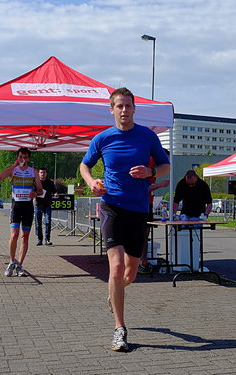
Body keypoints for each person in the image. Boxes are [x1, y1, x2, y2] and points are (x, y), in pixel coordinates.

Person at [80, 87, 170, 352]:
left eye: (128, 106)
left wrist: (150, 171)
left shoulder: (147, 136)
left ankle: (114, 292)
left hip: (139, 210)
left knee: (130, 274)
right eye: (119, 106)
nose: (124, 110)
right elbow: (85, 165)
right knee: (116, 268)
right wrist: (91, 182)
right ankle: (120, 329)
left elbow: (165, 165)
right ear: (112, 109)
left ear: (134, 108)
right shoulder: (102, 138)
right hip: (112, 207)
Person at [0, 147, 43, 277]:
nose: (23, 159)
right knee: (14, 235)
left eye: (25, 157)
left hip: (28, 206)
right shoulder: (14, 170)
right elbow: (0, 177)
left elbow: (40, 189)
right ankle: (12, 261)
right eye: (21, 157)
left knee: (25, 237)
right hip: (16, 205)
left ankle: (20, 264)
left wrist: (36, 193)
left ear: (29, 158)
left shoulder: (33, 171)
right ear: (18, 157)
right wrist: (14, 165)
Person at [138, 149, 170, 274]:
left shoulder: (154, 168)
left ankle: (143, 261)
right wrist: (160, 185)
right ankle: (139, 261)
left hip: (147, 203)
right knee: (142, 234)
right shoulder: (149, 165)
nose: (166, 164)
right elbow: (143, 188)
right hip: (141, 204)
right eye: (166, 160)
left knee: (145, 234)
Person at [35, 168, 58, 246]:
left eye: (44, 172)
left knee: (48, 222)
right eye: (41, 172)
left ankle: (47, 239)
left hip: (47, 205)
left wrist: (55, 194)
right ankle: (39, 239)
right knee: (38, 223)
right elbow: (32, 191)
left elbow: (54, 191)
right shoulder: (36, 182)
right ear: (38, 173)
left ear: (46, 173)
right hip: (38, 205)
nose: (42, 174)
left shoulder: (50, 183)